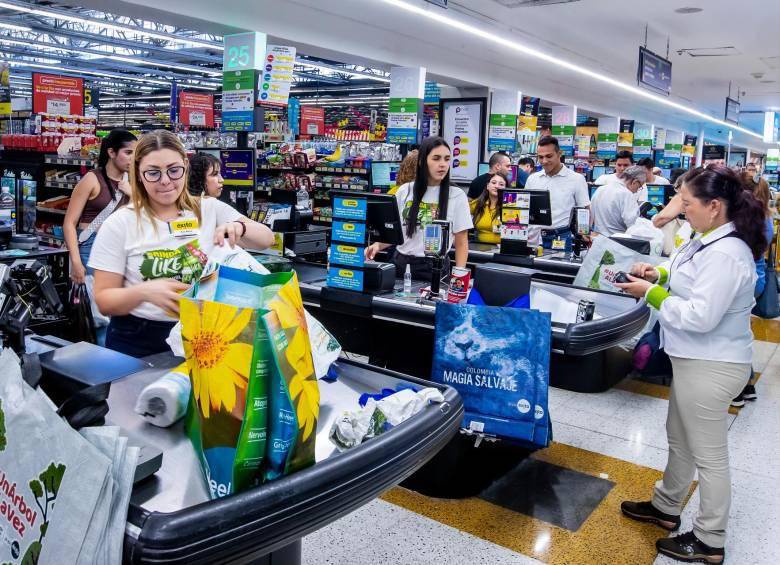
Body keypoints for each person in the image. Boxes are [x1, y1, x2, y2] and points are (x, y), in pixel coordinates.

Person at [616, 165, 767, 564]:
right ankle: (666, 506)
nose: (680, 209)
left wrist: (651, 293)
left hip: (712, 365)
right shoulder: (705, 239)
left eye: (687, 202)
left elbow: (700, 315)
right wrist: (658, 272)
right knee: (680, 437)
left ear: (714, 206)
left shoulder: (729, 254)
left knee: (709, 456)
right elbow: (683, 273)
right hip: (692, 360)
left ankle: (709, 539)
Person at [89, 130, 275, 358]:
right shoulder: (120, 223)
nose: (165, 181)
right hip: (138, 340)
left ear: (185, 167)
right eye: (153, 173)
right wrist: (144, 292)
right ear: (137, 174)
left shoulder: (209, 208)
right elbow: (104, 299)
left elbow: (267, 239)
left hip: (206, 335)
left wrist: (240, 227)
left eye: (174, 170)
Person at [365, 136, 472, 281]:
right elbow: (398, 233)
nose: (443, 164)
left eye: (447, 159)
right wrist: (377, 245)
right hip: (400, 263)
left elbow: (461, 242)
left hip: (435, 268)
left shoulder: (456, 195)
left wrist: (459, 276)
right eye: (436, 158)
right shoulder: (404, 191)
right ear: (422, 161)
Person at [64, 129, 137, 285]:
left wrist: (132, 195)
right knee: (95, 301)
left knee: (114, 302)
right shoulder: (91, 179)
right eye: (128, 152)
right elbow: (69, 223)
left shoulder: (132, 182)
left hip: (119, 246)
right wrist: (76, 262)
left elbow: (135, 218)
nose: (133, 158)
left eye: (135, 153)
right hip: (90, 245)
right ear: (111, 152)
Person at [731, 170, 775, 406]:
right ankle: (747, 385)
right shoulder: (766, 217)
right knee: (740, 334)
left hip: (743, 280)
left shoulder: (745, 218)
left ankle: (737, 389)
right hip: (756, 280)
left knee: (732, 336)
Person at [525, 135, 590, 252]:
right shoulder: (532, 179)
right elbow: (525, 207)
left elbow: (585, 208)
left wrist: (584, 233)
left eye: (549, 156)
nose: (544, 161)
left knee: (557, 269)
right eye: (540, 157)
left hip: (560, 237)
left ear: (559, 154)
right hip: (534, 238)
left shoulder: (576, 179)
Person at [591, 165, 647, 236]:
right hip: (618, 242)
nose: (636, 191)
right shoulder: (627, 195)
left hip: (598, 239)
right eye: (639, 187)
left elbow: (591, 214)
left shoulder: (600, 189)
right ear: (634, 182)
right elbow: (633, 225)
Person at [470, 172, 506, 244]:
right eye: (493, 183)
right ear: (487, 186)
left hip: (504, 250)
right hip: (481, 250)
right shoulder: (477, 204)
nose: (497, 186)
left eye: (501, 184)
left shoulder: (510, 206)